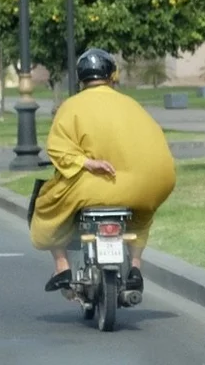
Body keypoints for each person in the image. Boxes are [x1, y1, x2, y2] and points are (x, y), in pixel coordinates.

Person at [29, 48, 177, 294]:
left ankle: (62, 266)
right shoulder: (132, 105)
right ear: (112, 75)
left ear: (81, 77)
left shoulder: (71, 106)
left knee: (45, 203)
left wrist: (87, 163)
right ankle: (136, 267)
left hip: (95, 188)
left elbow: (58, 148)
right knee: (141, 218)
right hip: (148, 186)